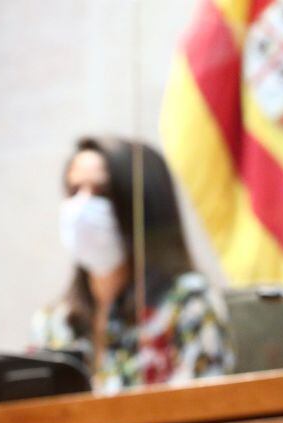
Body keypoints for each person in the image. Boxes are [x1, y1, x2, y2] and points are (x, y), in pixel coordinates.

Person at [32, 136, 234, 393]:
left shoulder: (188, 304)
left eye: (101, 192)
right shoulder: (53, 323)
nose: (82, 207)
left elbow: (210, 410)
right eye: (74, 191)